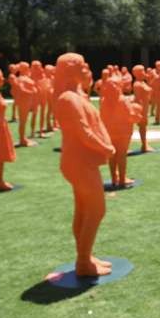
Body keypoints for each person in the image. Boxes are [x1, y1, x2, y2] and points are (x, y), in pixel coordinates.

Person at [54, 53, 115, 276]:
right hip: (78, 161)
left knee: (83, 208)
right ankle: (83, 262)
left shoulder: (76, 95)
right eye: (81, 66)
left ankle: (85, 256)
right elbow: (83, 132)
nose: (86, 68)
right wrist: (106, 148)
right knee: (96, 209)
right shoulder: (68, 99)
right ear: (71, 70)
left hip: (81, 160)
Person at [99, 76, 142, 188]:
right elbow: (131, 116)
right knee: (122, 155)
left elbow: (102, 117)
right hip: (123, 132)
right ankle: (122, 179)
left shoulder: (104, 101)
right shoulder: (123, 100)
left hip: (109, 132)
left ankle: (114, 178)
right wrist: (138, 114)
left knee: (112, 155)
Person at [132, 65, 153, 152]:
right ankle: (144, 145)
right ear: (138, 73)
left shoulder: (142, 83)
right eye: (143, 71)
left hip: (145, 106)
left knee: (144, 126)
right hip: (141, 108)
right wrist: (140, 111)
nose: (145, 73)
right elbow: (137, 98)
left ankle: (145, 144)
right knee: (142, 126)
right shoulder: (137, 84)